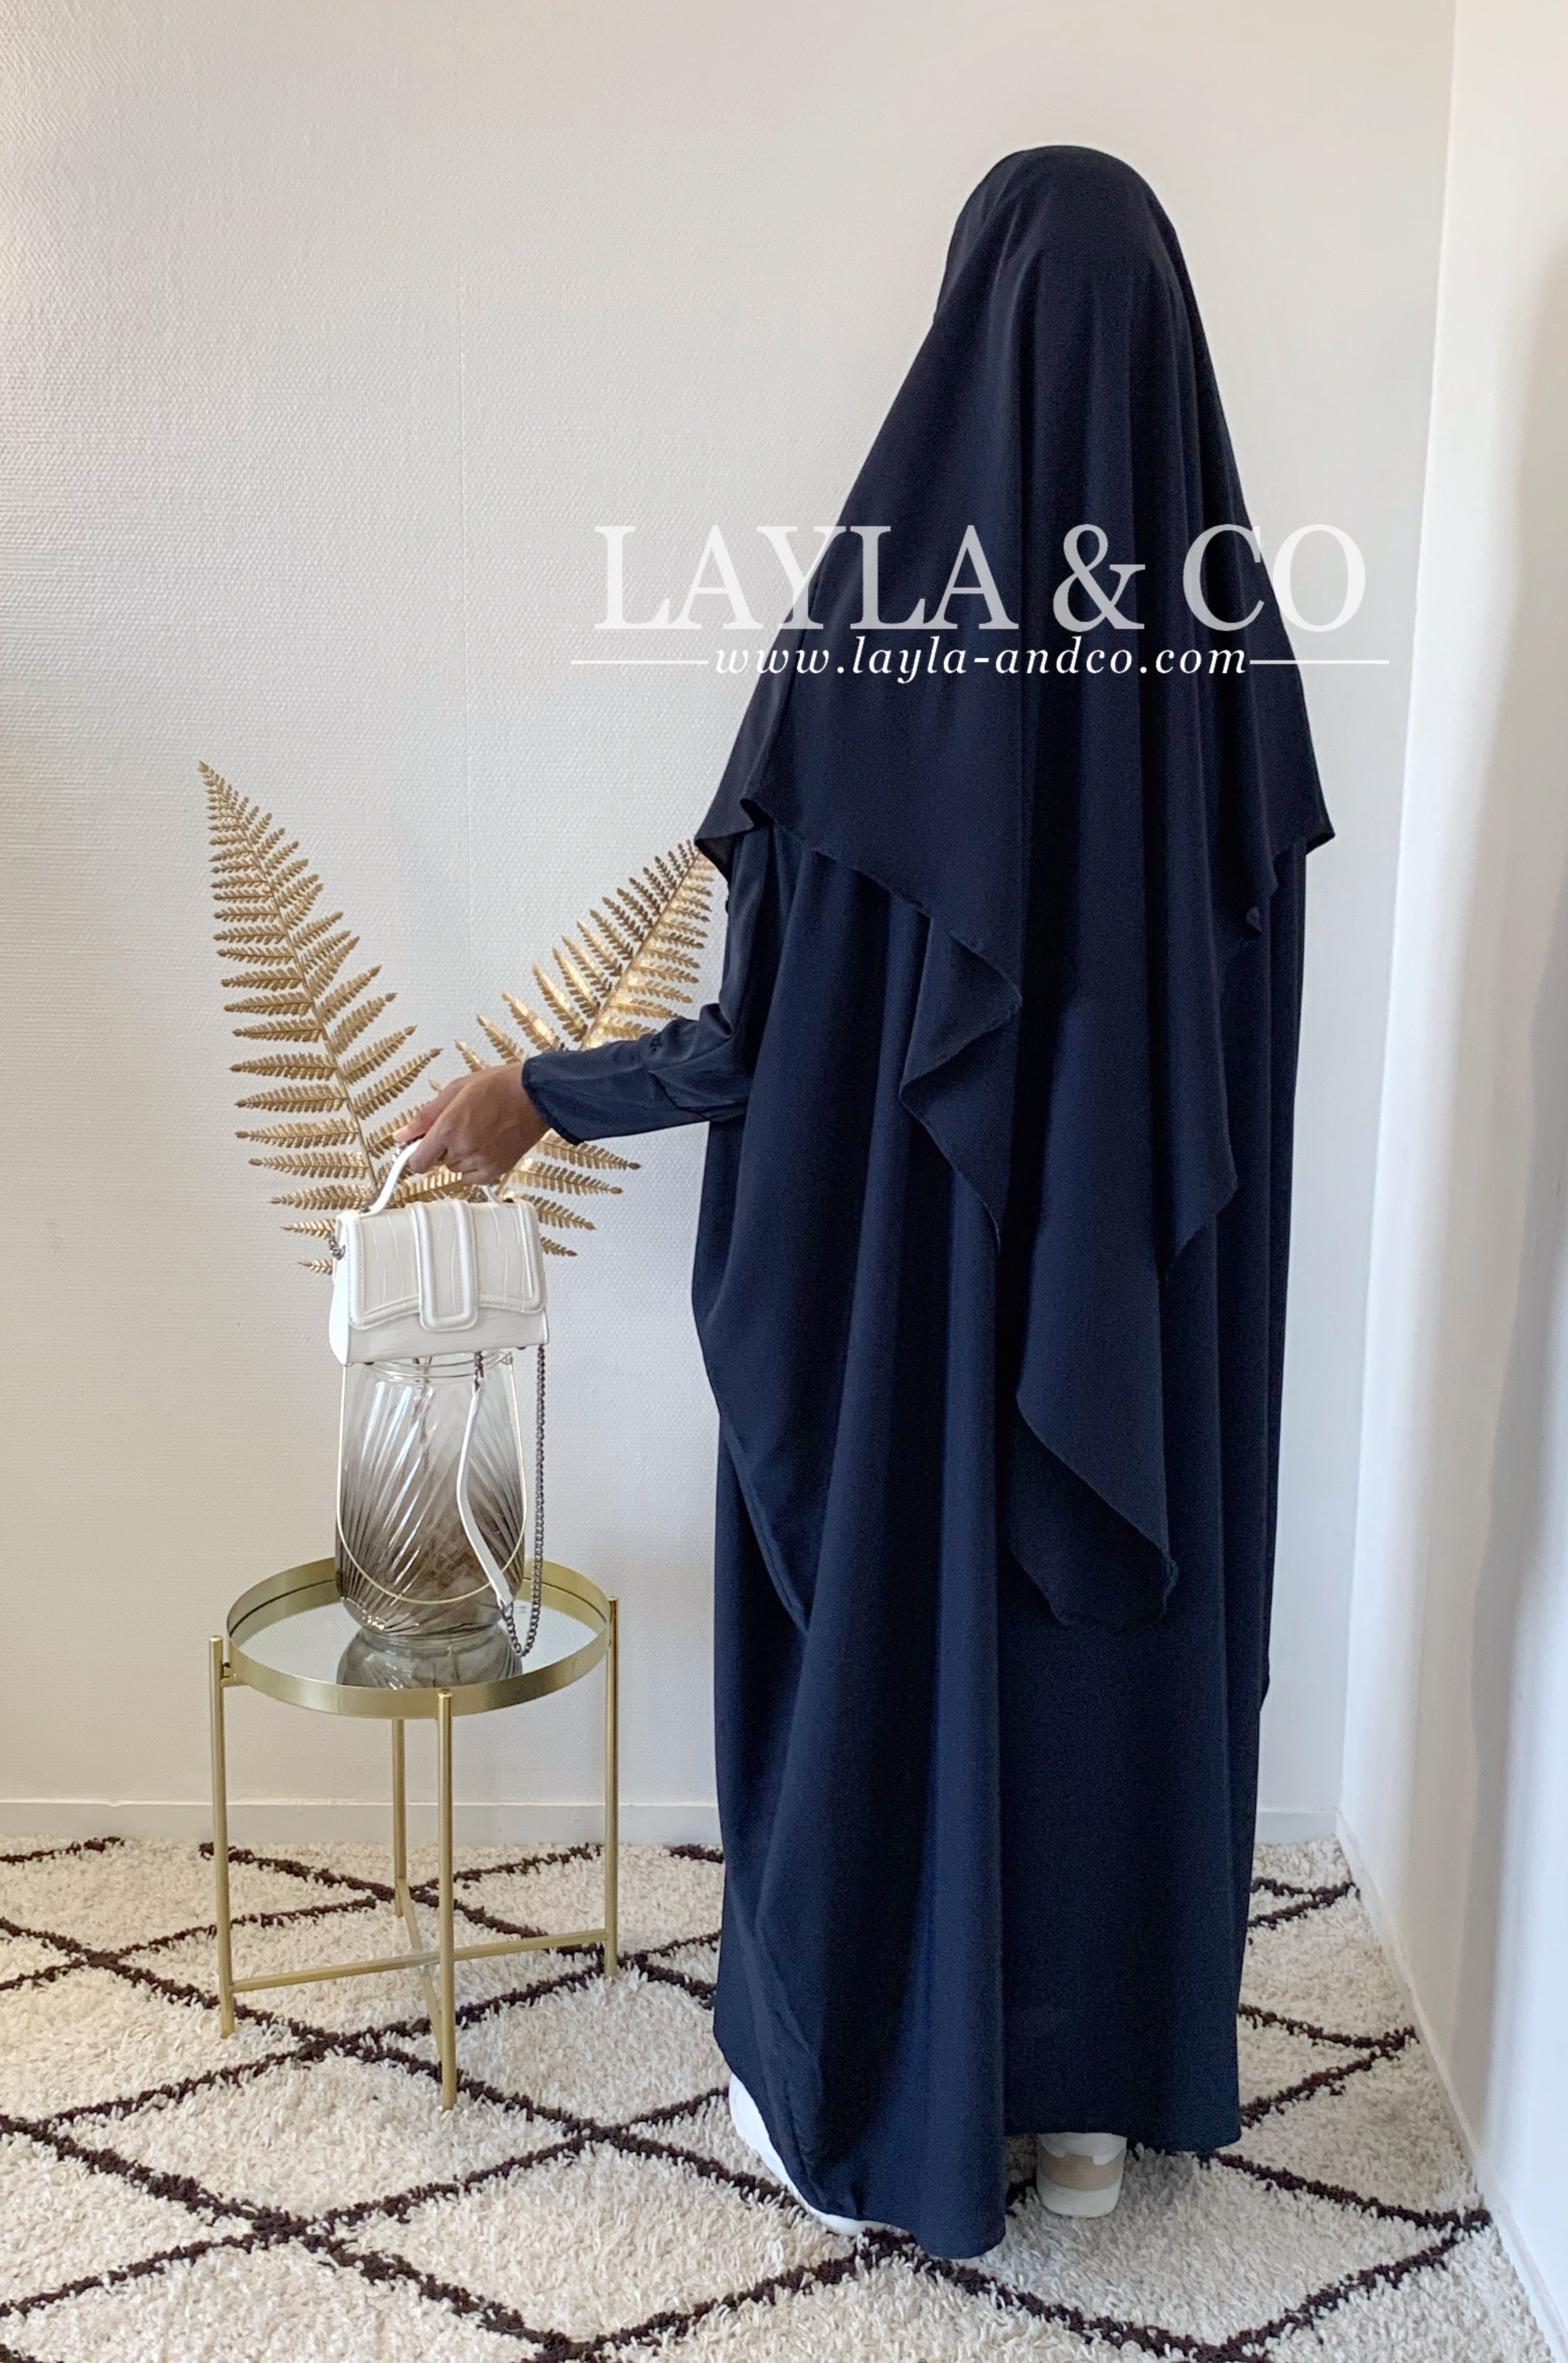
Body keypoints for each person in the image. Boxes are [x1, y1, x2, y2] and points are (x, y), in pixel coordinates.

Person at [394, 145, 1331, 2259]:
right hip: (1142, 1342)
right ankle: (1086, 2104)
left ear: (961, 347)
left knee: (910, 1632)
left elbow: (767, 1040)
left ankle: (918, 2080)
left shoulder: (880, 645)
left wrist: (541, 1093)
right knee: (1113, 1627)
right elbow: (1246, 1086)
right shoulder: (1235, 679)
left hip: (927, 1332)